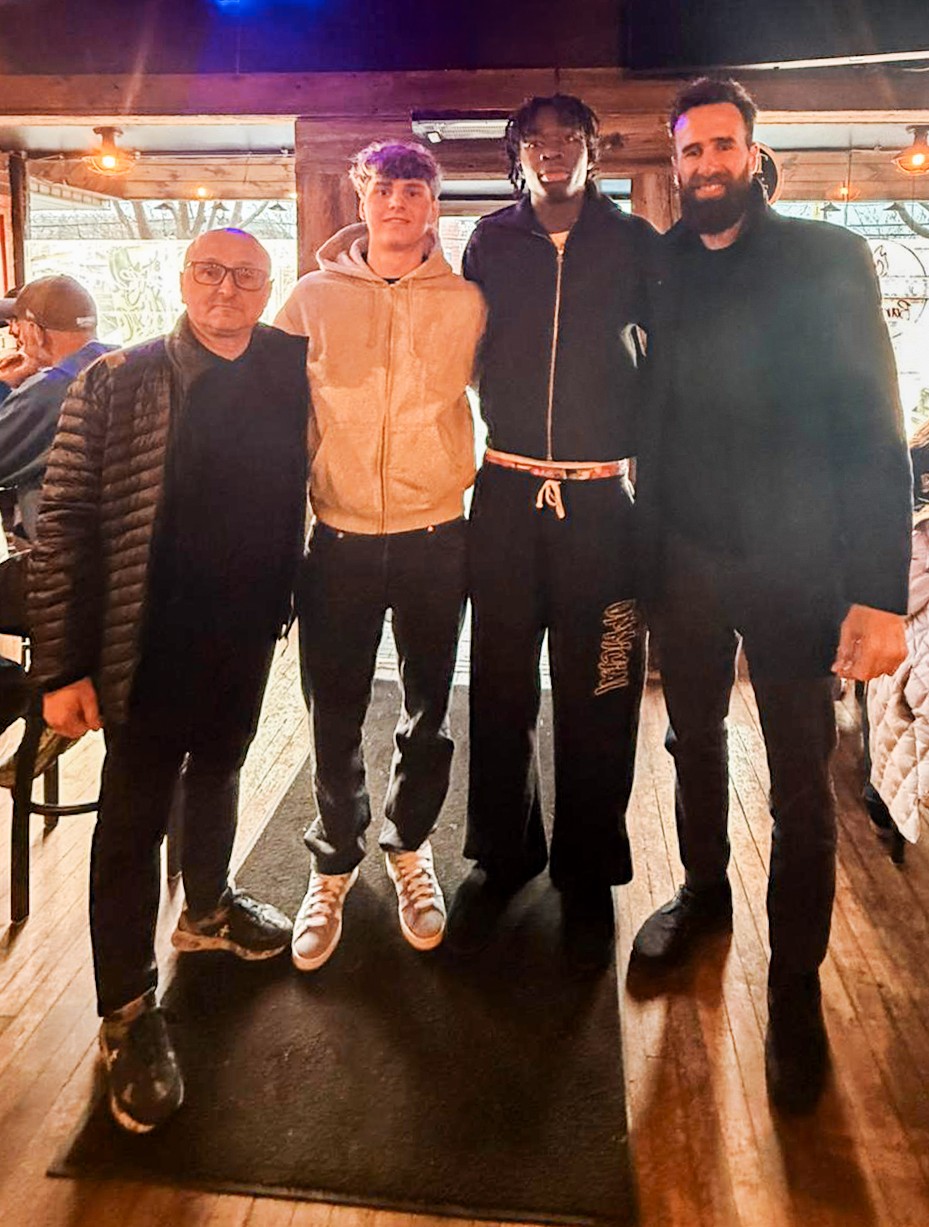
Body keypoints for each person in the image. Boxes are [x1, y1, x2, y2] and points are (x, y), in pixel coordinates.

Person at [632, 77, 911, 1113]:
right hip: (683, 556)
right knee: (689, 740)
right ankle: (703, 893)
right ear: (674, 164)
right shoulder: (657, 268)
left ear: (751, 154)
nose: (706, 164)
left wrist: (879, 593)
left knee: (799, 780)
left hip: (800, 562)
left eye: (722, 145)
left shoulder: (828, 260)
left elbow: (878, 431)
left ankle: (793, 984)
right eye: (690, 150)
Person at [28, 228, 309, 1134]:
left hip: (245, 627)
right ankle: (126, 1010)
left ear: (268, 286)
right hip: (144, 637)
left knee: (222, 767)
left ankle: (210, 909)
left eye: (246, 275)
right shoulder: (120, 379)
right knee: (132, 817)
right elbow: (64, 525)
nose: (227, 289)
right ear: (183, 280)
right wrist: (61, 667)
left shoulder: (288, 367)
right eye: (209, 272)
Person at [445, 94, 653, 970]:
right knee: (498, 684)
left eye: (569, 138)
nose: (553, 150)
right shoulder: (488, 240)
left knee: (601, 686)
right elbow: (448, 326)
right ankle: (503, 849)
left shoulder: (634, 241)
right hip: (504, 493)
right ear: (517, 156)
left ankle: (589, 864)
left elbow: (668, 359)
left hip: (602, 503)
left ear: (593, 150)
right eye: (536, 140)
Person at [274, 141, 485, 971]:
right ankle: (333, 858)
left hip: (437, 535)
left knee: (428, 708)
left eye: (414, 190)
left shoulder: (467, 301)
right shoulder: (309, 299)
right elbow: (275, 416)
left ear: (433, 204)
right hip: (339, 538)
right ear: (360, 199)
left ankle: (409, 844)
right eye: (384, 188)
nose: (398, 203)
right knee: (333, 708)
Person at [0, 275, 113, 540]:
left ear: (36, 333)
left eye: (18, 324)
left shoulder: (52, 389)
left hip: (66, 547)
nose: (14, 332)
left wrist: (3, 385)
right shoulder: (120, 364)